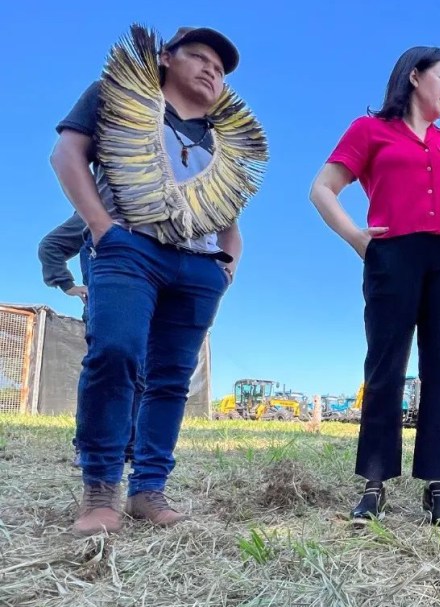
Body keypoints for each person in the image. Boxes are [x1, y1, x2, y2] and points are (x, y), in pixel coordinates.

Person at [50, 25, 268, 536]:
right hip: (129, 248)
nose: (212, 69)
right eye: (199, 57)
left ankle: (148, 490)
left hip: (198, 268)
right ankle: (101, 490)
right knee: (116, 352)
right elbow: (66, 154)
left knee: (171, 380)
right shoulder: (121, 95)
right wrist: (103, 231)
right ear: (166, 57)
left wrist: (226, 268)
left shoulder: (225, 141)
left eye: (220, 66)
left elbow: (230, 219)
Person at [309, 47, 440, 526]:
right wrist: (356, 237)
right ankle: (374, 485)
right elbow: (322, 188)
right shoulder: (369, 130)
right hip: (392, 255)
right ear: (415, 77)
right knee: (385, 366)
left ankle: (437, 487)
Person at [38, 212, 145, 468]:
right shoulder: (97, 208)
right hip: (105, 305)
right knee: (105, 370)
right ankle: (90, 448)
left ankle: (131, 448)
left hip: (145, 307)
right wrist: (67, 284)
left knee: (140, 377)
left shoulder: (151, 213)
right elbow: (50, 246)